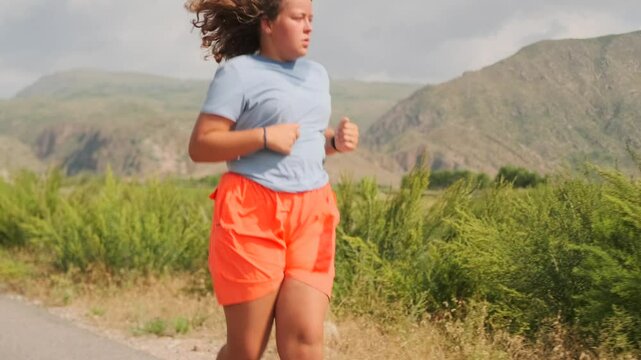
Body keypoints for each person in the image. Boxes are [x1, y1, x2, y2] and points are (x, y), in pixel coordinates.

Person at [186, 0, 359, 359]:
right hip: (252, 212)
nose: (308, 27)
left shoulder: (316, 75)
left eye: (311, 19)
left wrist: (334, 142)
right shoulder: (239, 74)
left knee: (304, 342)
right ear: (267, 23)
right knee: (246, 350)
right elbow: (201, 145)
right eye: (298, 18)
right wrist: (263, 137)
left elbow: (305, 136)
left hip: (312, 211)